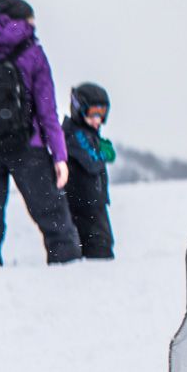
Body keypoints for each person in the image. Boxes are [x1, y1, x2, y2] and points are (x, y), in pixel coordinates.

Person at [0, 0, 81, 268]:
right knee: (53, 217)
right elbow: (47, 109)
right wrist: (59, 156)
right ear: (26, 20)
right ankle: (68, 269)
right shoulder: (33, 55)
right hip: (27, 147)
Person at [62, 82, 116, 259]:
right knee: (97, 246)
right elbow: (91, 161)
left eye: (102, 114)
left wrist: (101, 147)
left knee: (103, 243)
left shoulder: (87, 133)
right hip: (82, 205)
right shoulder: (74, 133)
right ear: (79, 109)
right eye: (92, 113)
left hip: (93, 203)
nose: (97, 120)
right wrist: (103, 152)